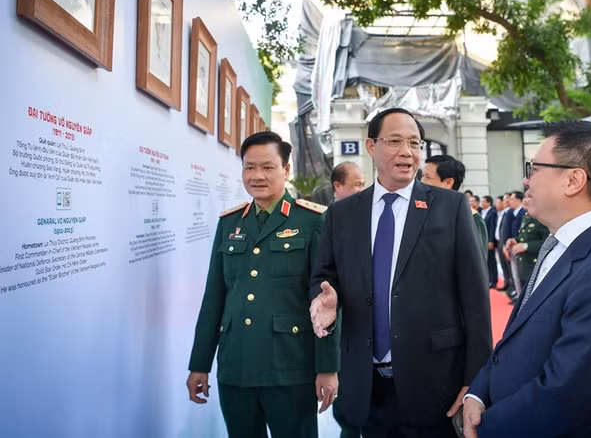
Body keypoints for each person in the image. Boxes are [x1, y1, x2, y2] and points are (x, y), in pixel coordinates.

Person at [463, 120, 591, 438]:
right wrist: (478, 393)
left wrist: (486, 427)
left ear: (573, 180)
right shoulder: (561, 246)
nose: (526, 180)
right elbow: (517, 340)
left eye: (535, 168)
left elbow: (566, 395)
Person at [309, 108, 492, 437]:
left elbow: (476, 298)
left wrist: (476, 381)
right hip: (366, 383)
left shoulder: (450, 207)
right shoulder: (343, 213)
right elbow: (323, 278)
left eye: (415, 143)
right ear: (371, 146)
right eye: (394, 141)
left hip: (436, 383)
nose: (407, 152)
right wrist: (327, 301)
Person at [187, 131, 340, 438]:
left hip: (290, 367)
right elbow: (214, 298)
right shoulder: (229, 223)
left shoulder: (312, 221)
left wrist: (328, 367)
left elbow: (326, 302)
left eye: (268, 167)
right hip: (236, 366)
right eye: (249, 167)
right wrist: (200, 363)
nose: (257, 175)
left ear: (286, 170)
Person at [330, 162, 366, 438]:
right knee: (349, 415)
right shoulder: (326, 221)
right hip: (339, 333)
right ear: (337, 187)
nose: (362, 190)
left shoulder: (366, 219)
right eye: (356, 184)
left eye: (363, 184)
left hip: (365, 334)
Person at [421, 155, 489, 253]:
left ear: (448, 182)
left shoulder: (471, 217)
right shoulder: (423, 211)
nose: (422, 182)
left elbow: (476, 262)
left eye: (428, 177)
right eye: (422, 176)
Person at [502, 191, 526, 301]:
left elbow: (522, 233)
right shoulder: (512, 212)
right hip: (513, 245)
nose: (509, 201)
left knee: (520, 274)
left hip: (521, 248)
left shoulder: (523, 213)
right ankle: (517, 293)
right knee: (515, 274)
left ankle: (520, 295)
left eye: (511, 199)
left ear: (519, 200)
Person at [481, 196, 499, 288]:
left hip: (489, 241)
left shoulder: (492, 213)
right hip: (484, 241)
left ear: (489, 202)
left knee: (492, 261)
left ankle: (494, 280)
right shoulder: (482, 212)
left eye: (483, 201)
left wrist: (491, 241)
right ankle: (489, 279)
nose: (481, 203)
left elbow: (492, 227)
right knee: (487, 261)